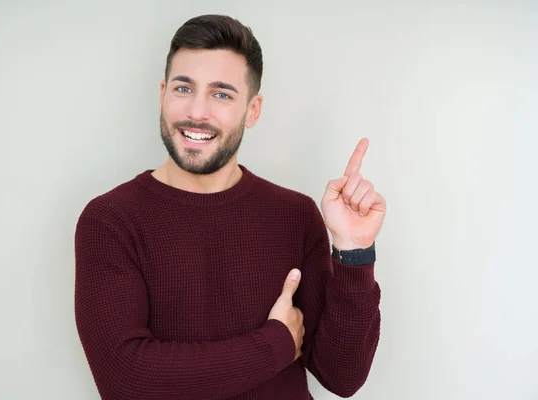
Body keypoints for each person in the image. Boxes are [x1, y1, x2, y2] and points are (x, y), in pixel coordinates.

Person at [74, 14, 386, 400]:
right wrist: (274, 344)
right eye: (183, 88)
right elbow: (127, 381)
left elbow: (343, 376)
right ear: (162, 94)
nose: (197, 111)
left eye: (221, 94)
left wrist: (354, 253)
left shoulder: (296, 216)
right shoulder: (111, 220)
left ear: (252, 111)